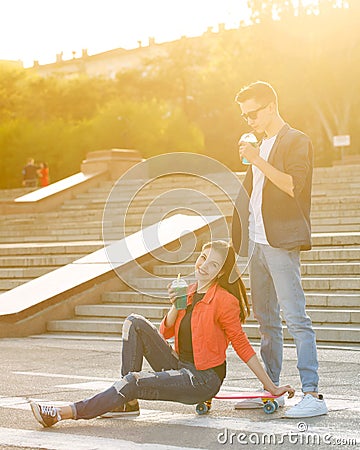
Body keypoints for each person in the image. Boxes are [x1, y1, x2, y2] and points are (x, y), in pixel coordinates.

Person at [30, 240, 294, 428]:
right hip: (180, 364)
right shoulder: (188, 291)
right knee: (133, 322)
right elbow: (163, 333)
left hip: (201, 379)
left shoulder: (224, 301)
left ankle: (65, 412)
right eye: (203, 258)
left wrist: (271, 387)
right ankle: (128, 403)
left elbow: (241, 345)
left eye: (212, 265)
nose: (203, 266)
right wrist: (175, 304)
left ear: (220, 272)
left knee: (134, 379)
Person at [232, 81, 327, 418]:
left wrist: (257, 158)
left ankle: (312, 393)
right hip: (258, 242)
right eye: (245, 117)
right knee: (266, 321)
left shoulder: (296, 140)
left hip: (281, 242)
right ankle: (271, 389)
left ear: (271, 106)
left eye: (253, 114)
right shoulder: (259, 144)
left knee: (296, 318)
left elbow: (291, 185)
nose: (250, 121)